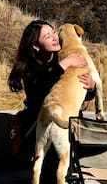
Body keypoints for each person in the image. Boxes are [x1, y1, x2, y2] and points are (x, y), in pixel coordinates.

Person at [7, 19, 96, 159]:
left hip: (66, 121)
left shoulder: (63, 56)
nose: (55, 37)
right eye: (47, 36)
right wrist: (64, 65)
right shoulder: (30, 67)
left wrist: (91, 87)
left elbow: (77, 93)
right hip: (41, 125)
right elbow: (41, 92)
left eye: (54, 32)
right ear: (36, 45)